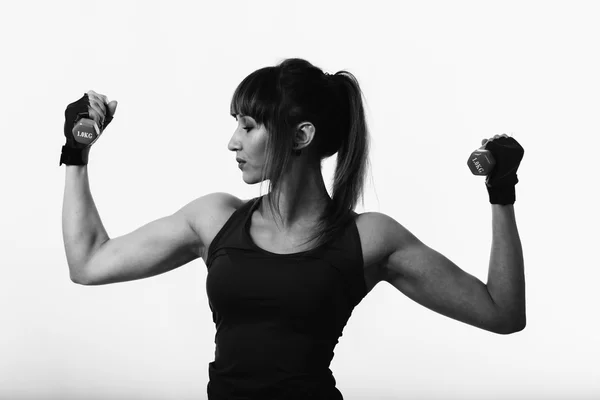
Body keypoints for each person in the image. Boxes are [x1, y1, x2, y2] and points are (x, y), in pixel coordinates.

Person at [61, 58, 526, 400]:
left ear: (300, 136)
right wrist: (76, 153)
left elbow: (501, 313)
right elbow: (89, 262)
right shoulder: (215, 219)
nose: (232, 142)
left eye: (248, 126)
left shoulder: (368, 238)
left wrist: (501, 193)